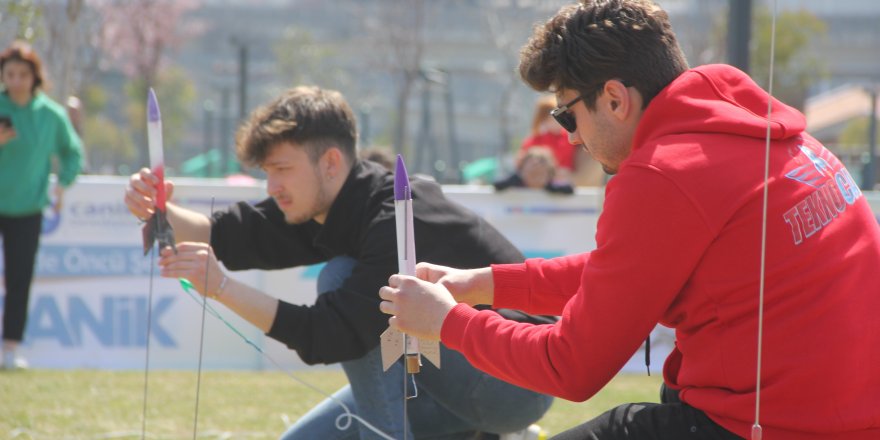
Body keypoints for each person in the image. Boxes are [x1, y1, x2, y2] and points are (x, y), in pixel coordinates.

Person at [378, 1, 880, 439]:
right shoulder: (752, 128)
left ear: (615, 99)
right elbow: (625, 271)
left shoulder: (663, 173)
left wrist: (445, 321)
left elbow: (570, 367)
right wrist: (483, 284)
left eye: (567, 114)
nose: (570, 137)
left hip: (771, 426)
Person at [124, 86, 553, 440]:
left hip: (514, 385)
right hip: (442, 384)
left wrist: (222, 288)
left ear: (330, 162)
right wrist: (160, 209)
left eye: (281, 169)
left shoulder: (398, 216)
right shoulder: (326, 203)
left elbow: (330, 334)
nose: (271, 186)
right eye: (266, 172)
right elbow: (230, 234)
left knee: (341, 276)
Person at [0, 41, 83, 370]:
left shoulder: (51, 115)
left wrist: (63, 183)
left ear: (35, 76)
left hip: (28, 210)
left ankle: (10, 348)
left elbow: (72, 152)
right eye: (10, 74)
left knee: (20, 279)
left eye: (23, 74)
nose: (17, 80)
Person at [493, 146, 574, 194]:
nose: (536, 165)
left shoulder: (553, 187)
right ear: (522, 169)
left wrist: (550, 186)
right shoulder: (516, 183)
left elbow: (569, 188)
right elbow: (497, 184)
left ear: (549, 173)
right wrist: (518, 178)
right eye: (532, 173)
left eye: (540, 174)